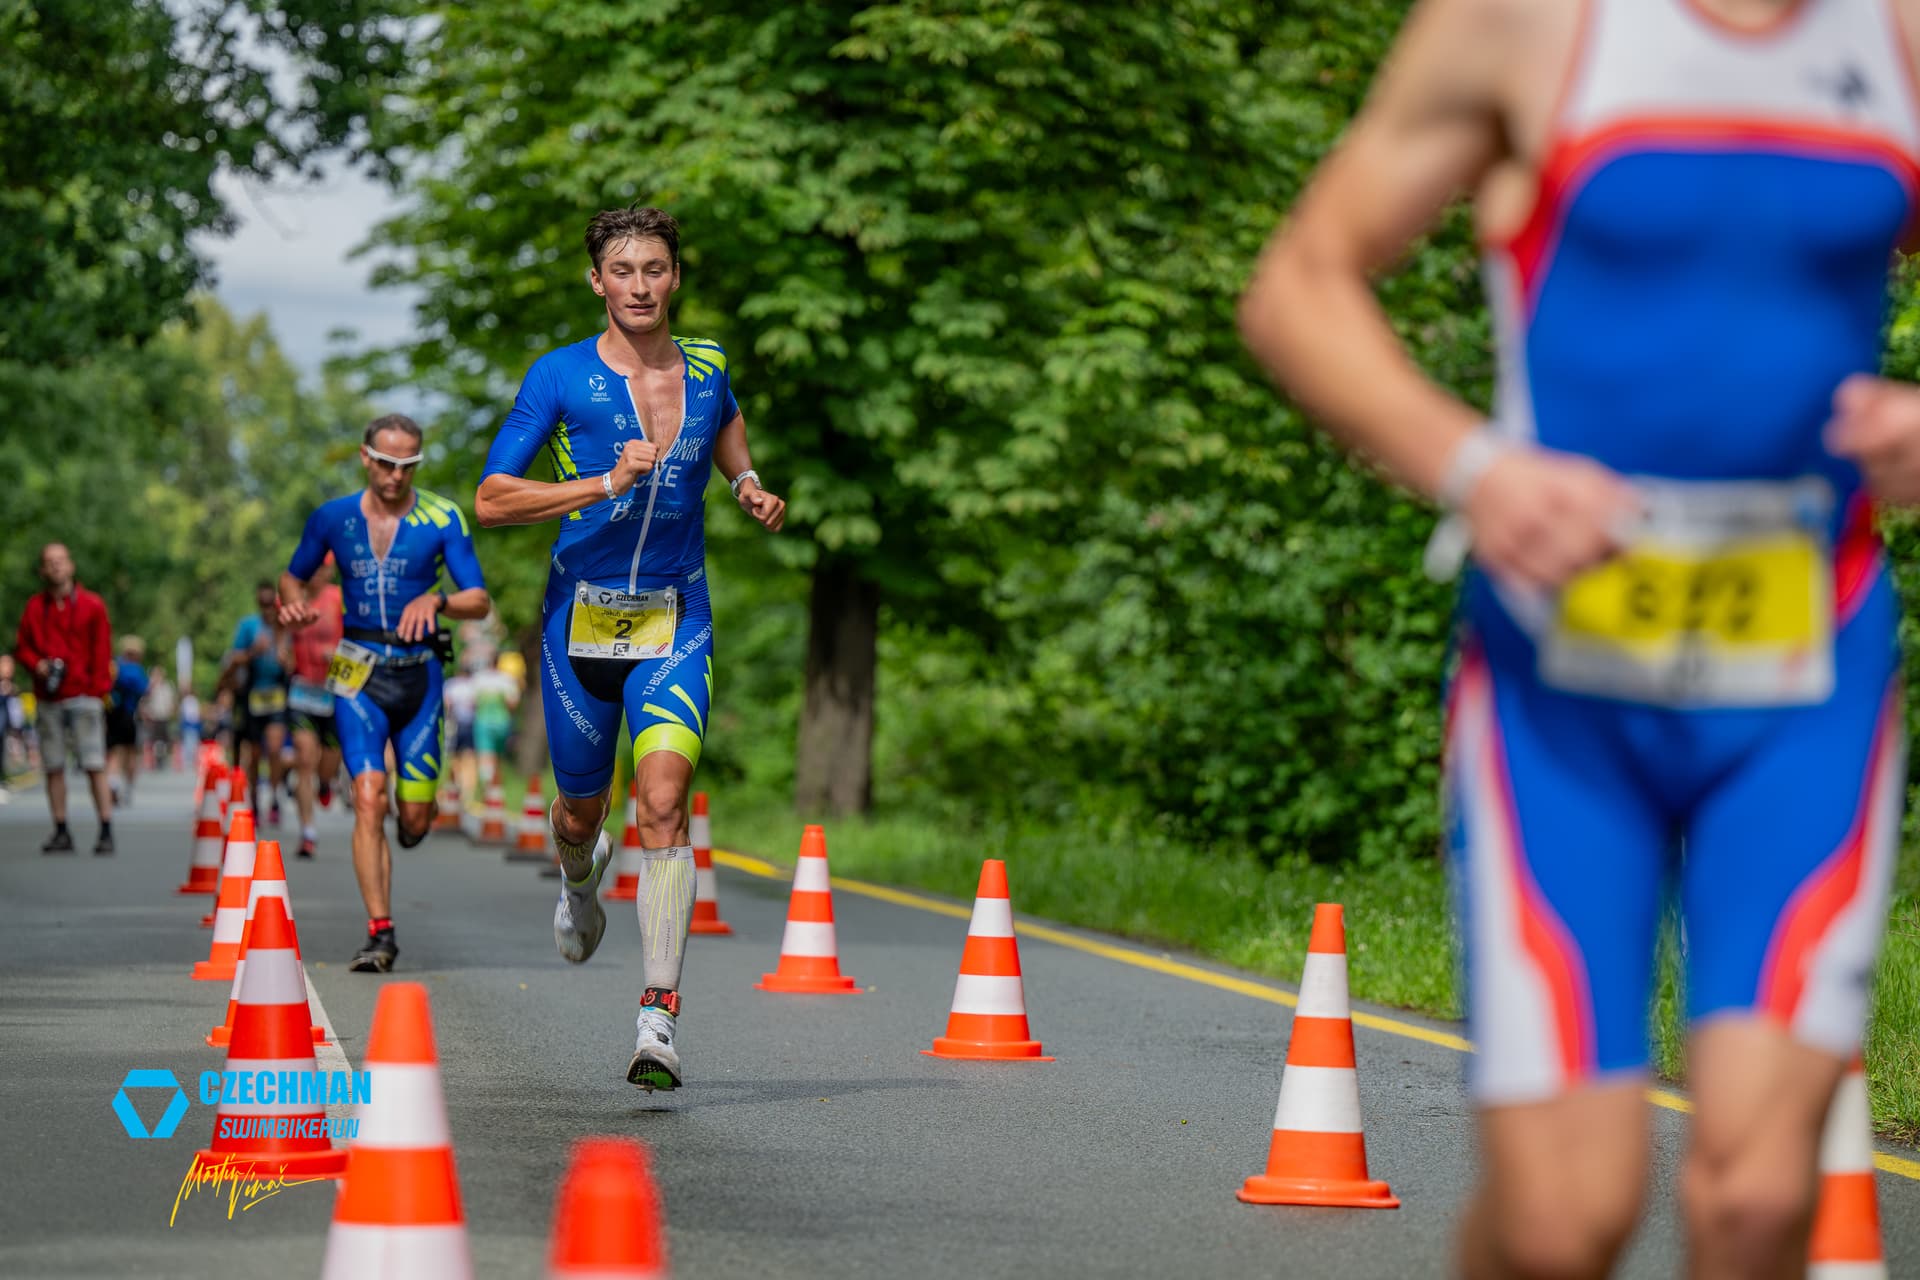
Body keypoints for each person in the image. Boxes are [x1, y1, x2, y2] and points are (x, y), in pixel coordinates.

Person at [1236, 2, 1920, 1276]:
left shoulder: (1893, 34)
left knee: (1762, 1194)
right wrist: (1476, 468)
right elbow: (1298, 283)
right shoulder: (1526, 21)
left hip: (1805, 689)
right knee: (1563, 1218)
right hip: (1561, 697)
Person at [476, 205, 786, 1092]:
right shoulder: (561, 375)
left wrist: (748, 481)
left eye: (655, 269)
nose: (641, 286)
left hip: (676, 615)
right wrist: (603, 481)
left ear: (674, 277)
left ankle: (658, 1019)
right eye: (624, 271)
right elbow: (493, 498)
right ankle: (579, 878)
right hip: (582, 616)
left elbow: (725, 421)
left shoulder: (710, 363)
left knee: (664, 801)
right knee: (581, 816)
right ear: (598, 281)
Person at [279, 414, 492, 972]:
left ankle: (412, 818)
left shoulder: (442, 515)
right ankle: (380, 932)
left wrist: (438, 602)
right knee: (368, 795)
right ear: (366, 458)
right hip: (358, 672)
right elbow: (292, 575)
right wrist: (294, 602)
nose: (397, 476)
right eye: (387, 463)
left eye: (409, 465)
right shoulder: (333, 517)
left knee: (415, 821)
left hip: (419, 673)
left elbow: (479, 598)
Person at [14, 543, 114, 853]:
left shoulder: (92, 605)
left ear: (71, 566)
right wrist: (37, 666)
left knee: (94, 763)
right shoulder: (34, 607)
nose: (56, 567)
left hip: (84, 696)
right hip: (49, 697)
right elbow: (22, 647)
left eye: (60, 561)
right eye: (49, 562)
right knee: (53, 765)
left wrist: (97, 691)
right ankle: (61, 829)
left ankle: (106, 829)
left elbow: (103, 650)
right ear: (43, 570)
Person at [285, 553, 346, 859]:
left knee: (329, 760)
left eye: (324, 569)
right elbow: (282, 638)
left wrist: (336, 654)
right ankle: (308, 831)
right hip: (302, 692)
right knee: (304, 758)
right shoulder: (293, 601)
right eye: (314, 569)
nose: (319, 575)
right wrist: (284, 655)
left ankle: (327, 782)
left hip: (334, 691)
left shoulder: (337, 598)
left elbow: (359, 641)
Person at [221, 581, 292, 826]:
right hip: (252, 695)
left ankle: (274, 796)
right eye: (262, 604)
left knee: (274, 748)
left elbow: (297, 665)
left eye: (270, 603)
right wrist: (253, 651)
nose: (267, 609)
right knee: (254, 752)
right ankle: (253, 799)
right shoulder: (248, 626)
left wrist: (286, 662)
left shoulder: (286, 628)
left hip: (278, 696)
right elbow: (233, 658)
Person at [105, 635, 148, 807]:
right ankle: (128, 788)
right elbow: (144, 690)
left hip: (112, 716)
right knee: (131, 753)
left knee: (114, 753)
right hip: (129, 716)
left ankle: (113, 785)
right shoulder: (136, 670)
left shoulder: (114, 666)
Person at [470, 650, 521, 790]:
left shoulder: (478, 678)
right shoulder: (507, 679)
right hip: (502, 722)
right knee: (498, 756)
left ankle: (487, 788)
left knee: (486, 755)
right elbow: (513, 704)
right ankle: (496, 787)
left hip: (483, 722)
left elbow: (472, 703)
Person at [142, 664, 177, 771]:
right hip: (154, 716)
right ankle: (156, 760)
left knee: (164, 739)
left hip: (164, 716)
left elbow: (171, 701)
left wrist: (171, 710)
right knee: (154, 740)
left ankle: (162, 758)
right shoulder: (150, 687)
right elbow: (145, 701)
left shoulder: (167, 687)